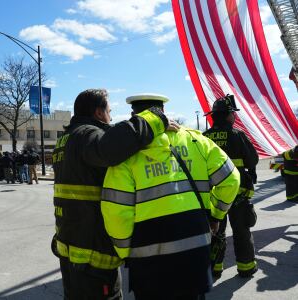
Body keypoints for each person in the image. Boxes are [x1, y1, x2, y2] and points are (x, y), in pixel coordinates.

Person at [101, 93, 240, 300]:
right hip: (195, 255)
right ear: (163, 112)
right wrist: (216, 216)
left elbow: (116, 212)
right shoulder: (195, 140)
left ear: (135, 115)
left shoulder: (126, 155)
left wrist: (125, 253)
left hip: (148, 262)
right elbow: (231, 179)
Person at [52, 89, 175, 300]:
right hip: (92, 252)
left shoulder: (66, 139)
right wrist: (155, 119)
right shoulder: (86, 135)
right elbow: (109, 148)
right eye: (109, 111)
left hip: (71, 243)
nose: (110, 115)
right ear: (99, 113)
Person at [203, 94, 259, 278]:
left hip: (213, 195)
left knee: (215, 231)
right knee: (241, 230)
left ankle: (215, 268)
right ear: (228, 115)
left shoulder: (204, 138)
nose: (235, 117)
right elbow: (253, 159)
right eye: (233, 114)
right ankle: (246, 267)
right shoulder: (237, 135)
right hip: (238, 193)